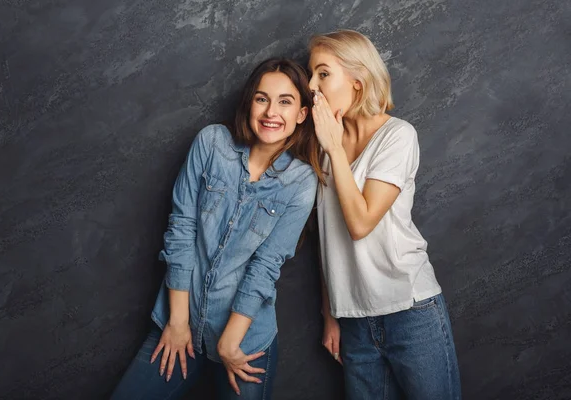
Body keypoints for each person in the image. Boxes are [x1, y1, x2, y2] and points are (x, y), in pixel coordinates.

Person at [111, 58, 323, 400]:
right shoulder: (212, 143)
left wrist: (229, 341)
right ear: (249, 103)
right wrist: (179, 323)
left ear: (301, 113)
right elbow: (181, 228)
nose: (271, 111)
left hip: (244, 343)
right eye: (262, 98)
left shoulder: (300, 182)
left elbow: (266, 266)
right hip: (178, 322)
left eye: (285, 101)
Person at [308, 29, 462, 399]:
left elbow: (360, 223)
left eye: (323, 74)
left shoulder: (398, 136)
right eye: (310, 75)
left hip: (411, 312)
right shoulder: (322, 144)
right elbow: (327, 237)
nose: (311, 86)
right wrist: (331, 314)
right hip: (354, 321)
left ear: (357, 83)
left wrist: (334, 147)